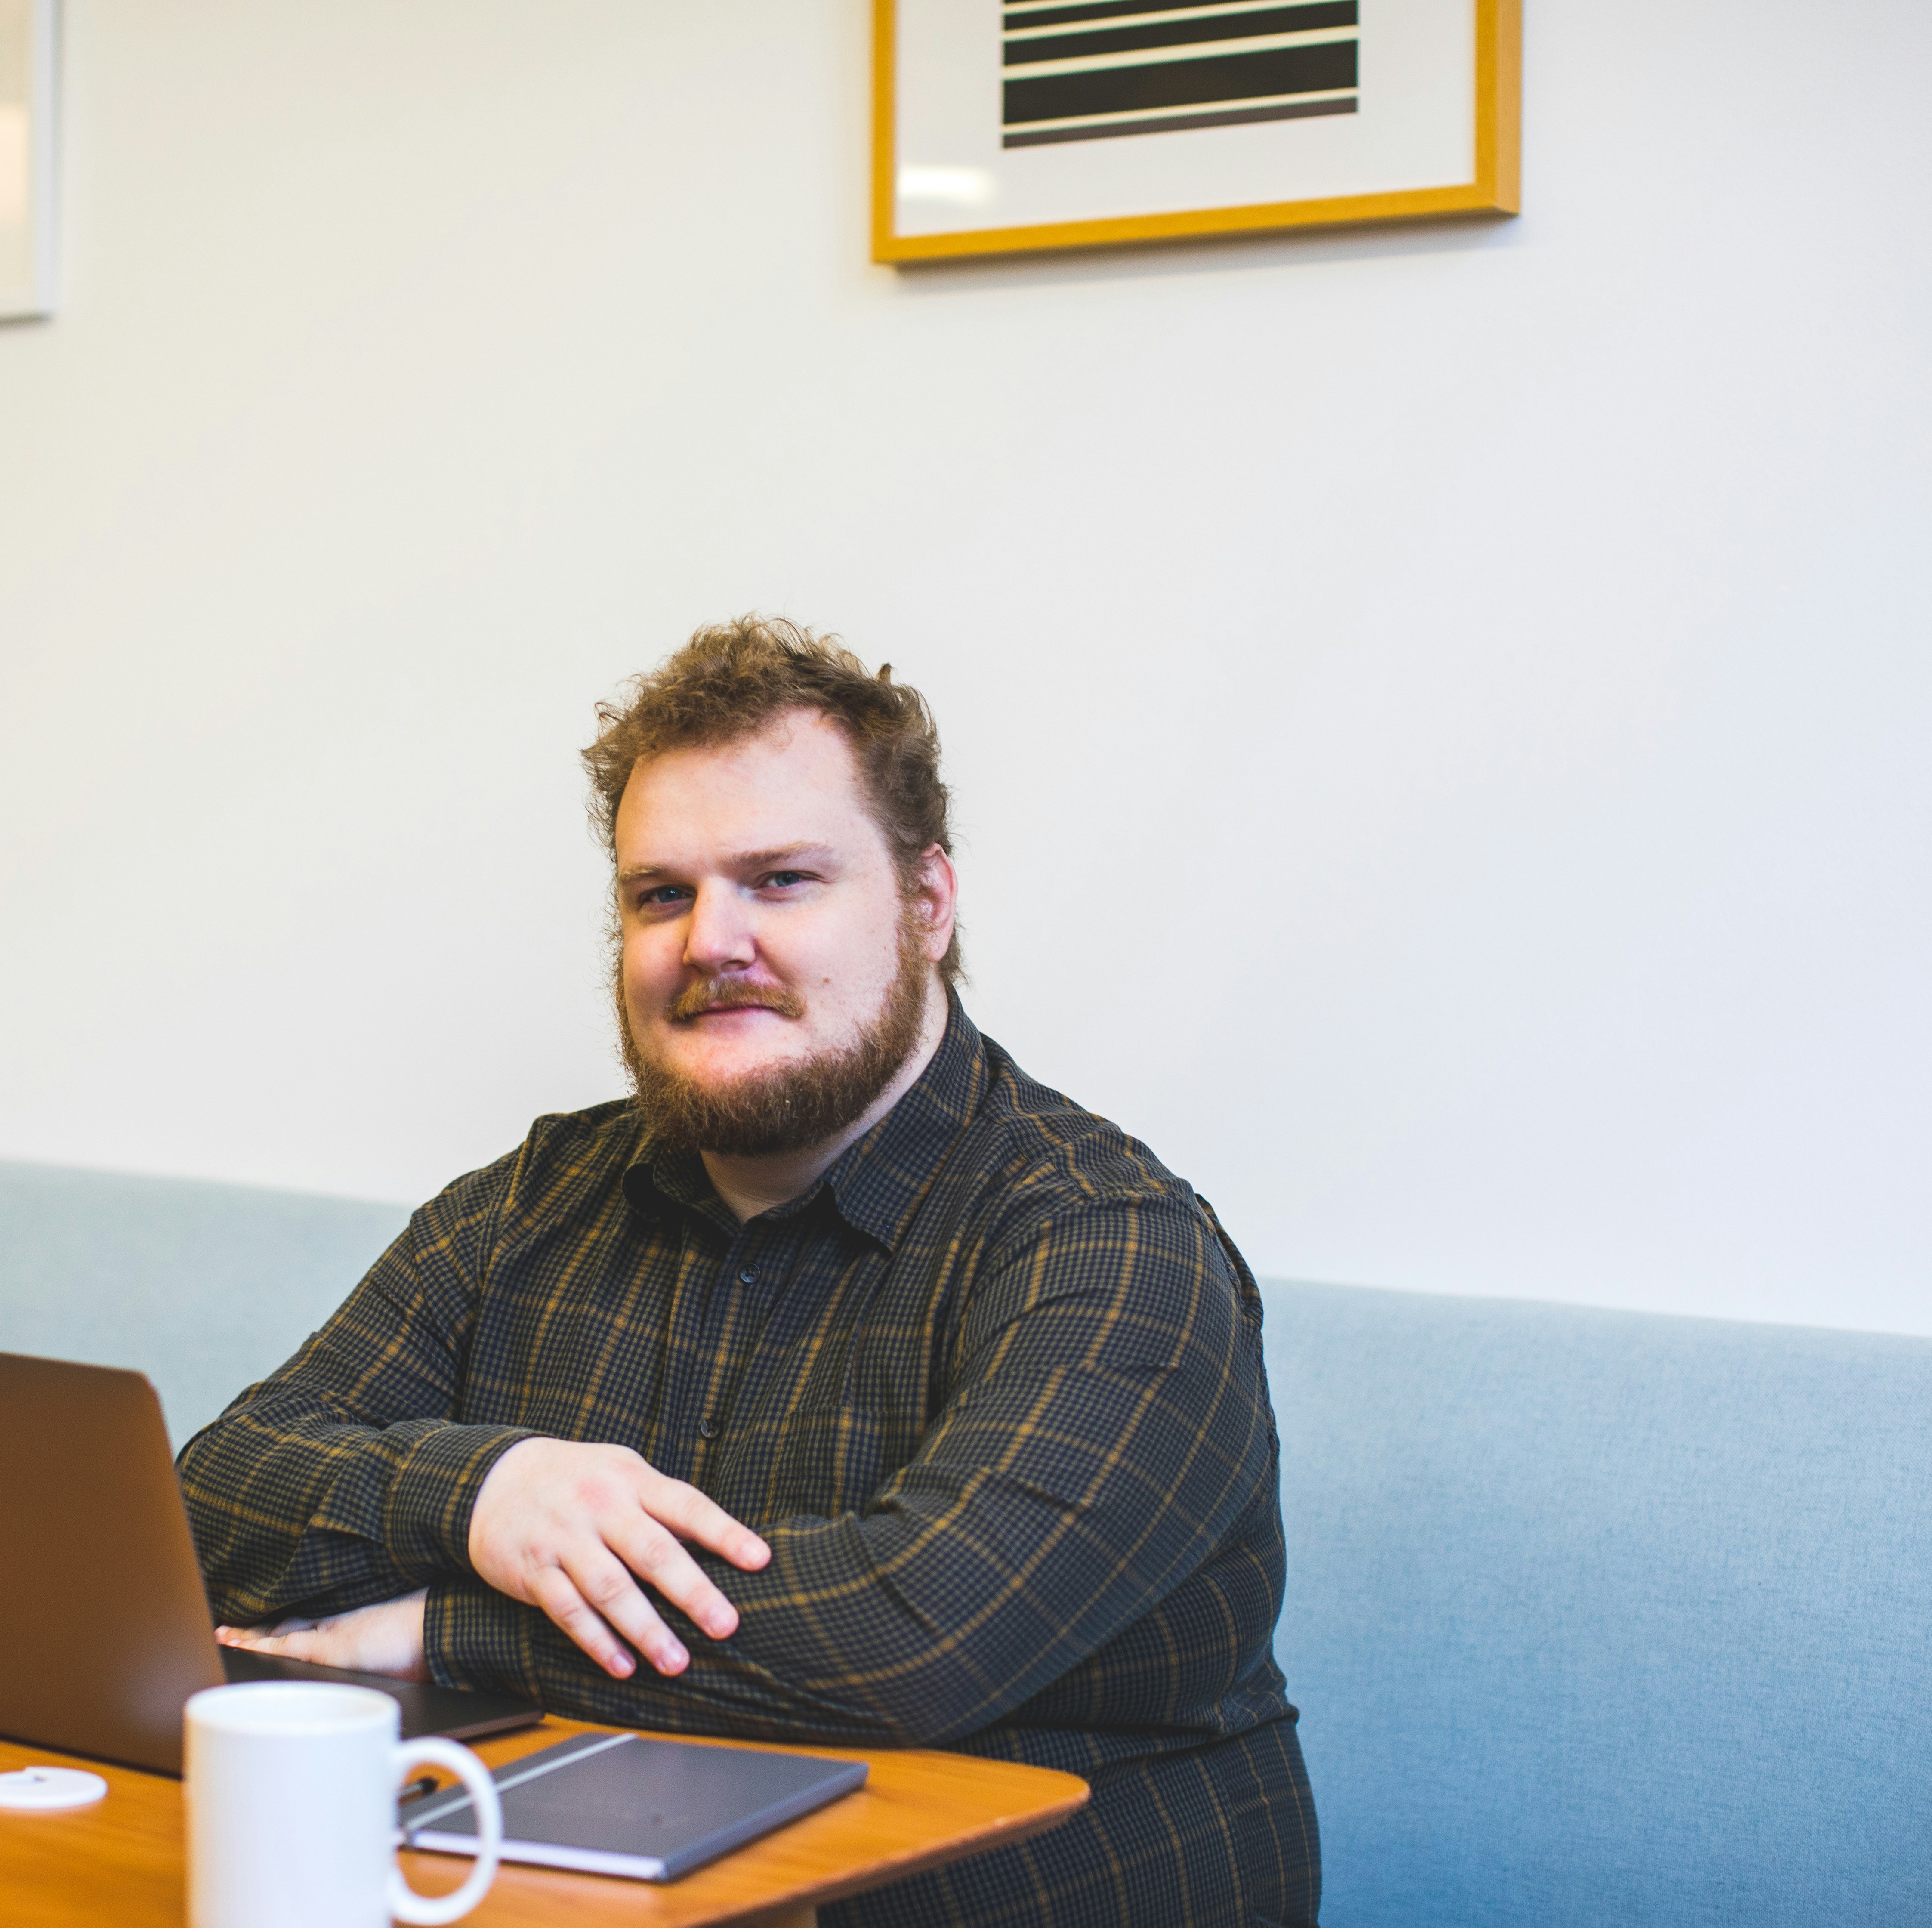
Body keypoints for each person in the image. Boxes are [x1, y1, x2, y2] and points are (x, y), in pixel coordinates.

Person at [179, 618, 1318, 1927]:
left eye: (780, 880)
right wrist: (487, 1493)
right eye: (661, 893)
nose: (708, 940)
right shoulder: (530, 1208)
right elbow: (220, 1493)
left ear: (928, 903)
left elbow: (903, 1644)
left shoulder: (1111, 1247)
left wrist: (437, 1632)